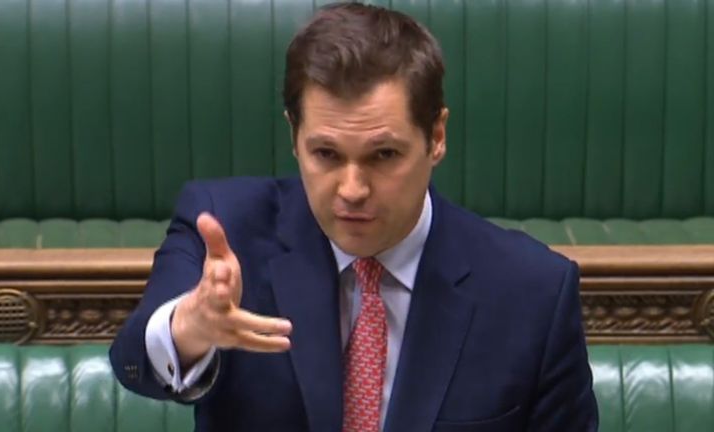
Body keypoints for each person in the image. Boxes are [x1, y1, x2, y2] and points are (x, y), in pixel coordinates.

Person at [110, 3, 598, 431]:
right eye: (325, 153)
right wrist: (189, 329)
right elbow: (133, 362)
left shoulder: (533, 292)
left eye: (384, 155)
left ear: (437, 136)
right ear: (293, 135)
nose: (352, 190)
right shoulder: (225, 228)